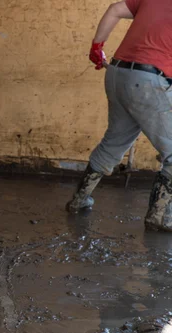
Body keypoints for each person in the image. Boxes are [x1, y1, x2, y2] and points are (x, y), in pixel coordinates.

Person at [67, 0, 172, 232]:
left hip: (117, 73)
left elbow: (115, 9)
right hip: (147, 81)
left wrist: (96, 47)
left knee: (113, 142)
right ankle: (161, 218)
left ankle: (79, 200)